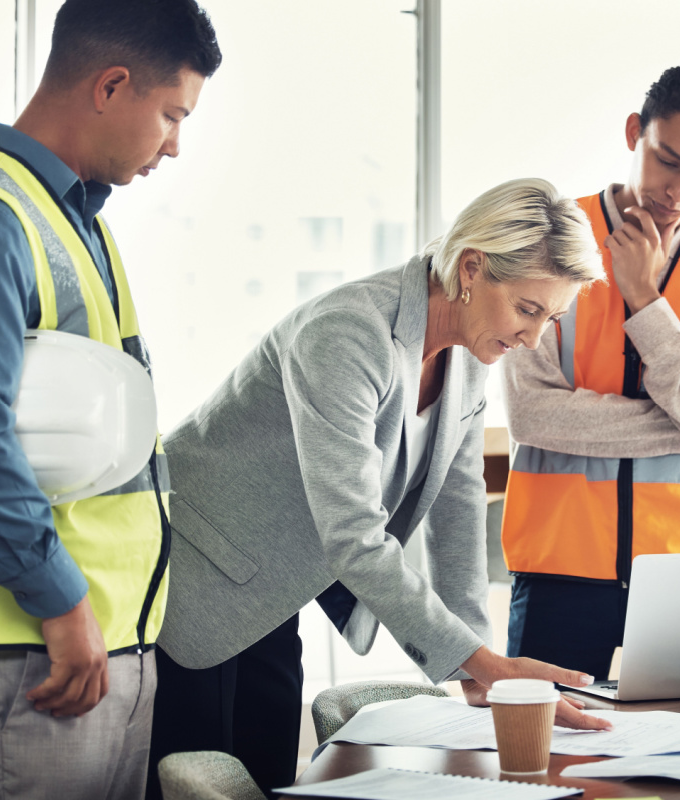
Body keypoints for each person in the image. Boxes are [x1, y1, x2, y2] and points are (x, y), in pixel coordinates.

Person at [148, 178, 611, 795]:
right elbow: (355, 535)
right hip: (198, 579)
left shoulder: (471, 359)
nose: (533, 338)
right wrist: (483, 665)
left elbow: (459, 516)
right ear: (471, 267)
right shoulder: (349, 332)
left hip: (277, 590)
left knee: (266, 775)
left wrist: (478, 667)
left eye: (550, 318)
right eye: (528, 310)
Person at [0, 2, 220, 797]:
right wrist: (62, 603)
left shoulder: (76, 222)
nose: (174, 144)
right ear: (110, 86)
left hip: (97, 637)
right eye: (171, 115)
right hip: (30, 636)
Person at [500, 58, 680, 680]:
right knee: (547, 767)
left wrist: (646, 301)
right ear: (635, 133)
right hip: (558, 568)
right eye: (668, 160)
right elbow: (531, 412)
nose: (678, 193)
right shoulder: (550, 242)